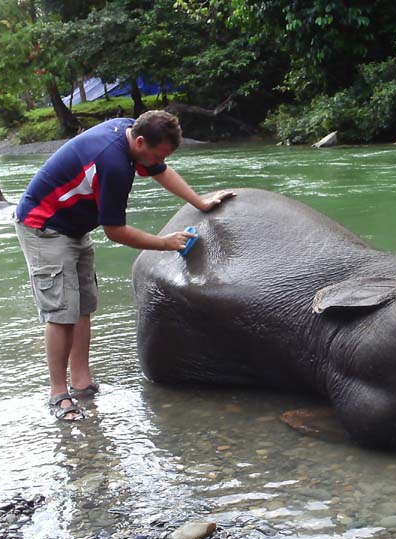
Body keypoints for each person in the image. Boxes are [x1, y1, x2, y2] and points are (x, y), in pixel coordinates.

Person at [14, 110, 235, 420]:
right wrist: (166, 243)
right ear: (141, 141)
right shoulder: (114, 163)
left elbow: (161, 170)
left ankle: (81, 382)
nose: (157, 160)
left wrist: (200, 202)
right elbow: (115, 231)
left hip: (74, 226)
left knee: (82, 307)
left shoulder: (132, 133)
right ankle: (58, 395)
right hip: (44, 228)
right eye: (156, 154)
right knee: (61, 312)